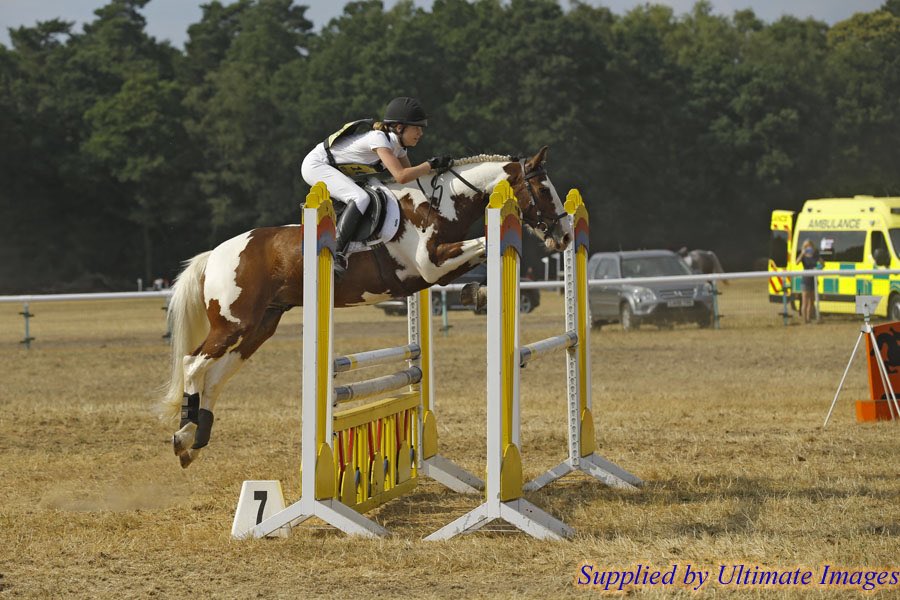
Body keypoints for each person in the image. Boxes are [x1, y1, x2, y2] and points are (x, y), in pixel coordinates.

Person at [300, 97, 452, 277]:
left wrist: (438, 170)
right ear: (399, 127)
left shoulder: (398, 147)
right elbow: (401, 176)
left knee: (372, 194)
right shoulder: (379, 138)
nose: (420, 133)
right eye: (416, 128)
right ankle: (338, 252)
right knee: (360, 198)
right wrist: (430, 164)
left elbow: (411, 177)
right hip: (316, 165)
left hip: (335, 170)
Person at [796, 239, 819, 323]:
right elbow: (797, 262)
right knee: (805, 301)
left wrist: (820, 263)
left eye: (810, 246)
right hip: (805, 280)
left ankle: (809, 318)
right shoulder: (803, 256)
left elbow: (821, 264)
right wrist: (802, 253)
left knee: (811, 301)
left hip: (813, 279)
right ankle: (804, 319)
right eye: (806, 246)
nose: (808, 248)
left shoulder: (815, 255)